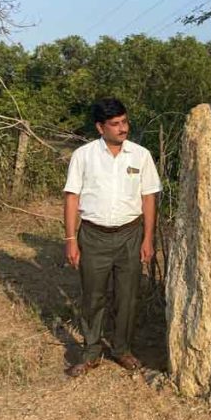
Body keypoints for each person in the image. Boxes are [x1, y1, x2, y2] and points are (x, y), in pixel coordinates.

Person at [61, 98, 161, 378]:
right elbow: (72, 197)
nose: (122, 128)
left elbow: (149, 197)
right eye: (115, 124)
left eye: (124, 122)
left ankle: (122, 349)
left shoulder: (140, 155)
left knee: (127, 296)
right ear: (100, 127)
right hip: (93, 236)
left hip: (130, 234)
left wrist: (147, 238)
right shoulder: (84, 155)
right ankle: (92, 351)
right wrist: (71, 239)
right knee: (93, 295)